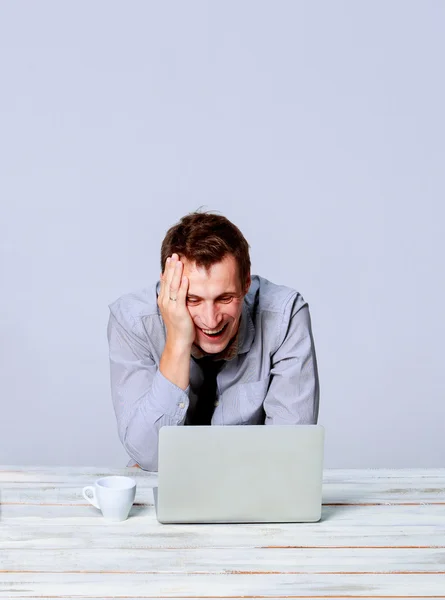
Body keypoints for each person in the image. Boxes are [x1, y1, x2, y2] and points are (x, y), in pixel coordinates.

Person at [107, 211, 320, 471]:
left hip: (254, 492)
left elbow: (290, 453)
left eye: (225, 298)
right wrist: (177, 342)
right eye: (193, 300)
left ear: (245, 283)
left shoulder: (284, 316)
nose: (211, 320)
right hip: (166, 491)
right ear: (168, 290)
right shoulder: (132, 321)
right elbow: (150, 456)